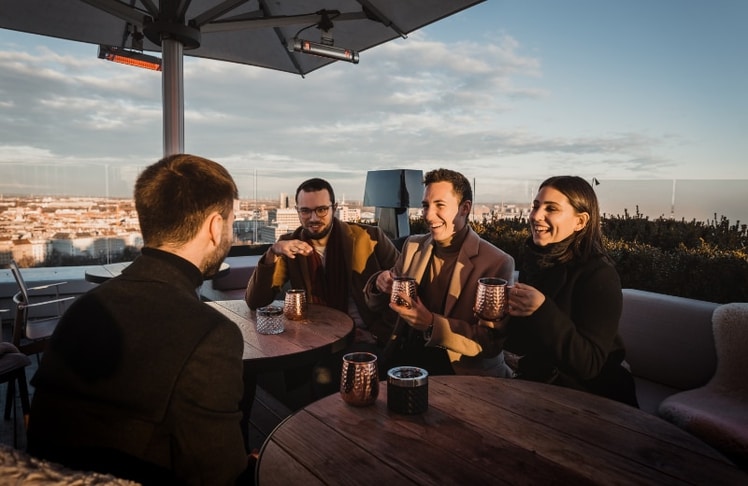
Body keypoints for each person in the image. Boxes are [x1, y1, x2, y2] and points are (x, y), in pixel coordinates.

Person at [27, 154, 253, 485]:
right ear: (215, 227)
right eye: (231, 222)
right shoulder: (209, 334)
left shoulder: (85, 308)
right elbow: (219, 475)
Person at [245, 177, 400, 390]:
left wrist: (378, 333)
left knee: (324, 374)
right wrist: (272, 253)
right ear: (297, 211)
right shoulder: (291, 245)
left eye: (321, 210)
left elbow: (405, 290)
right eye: (305, 211)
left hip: (365, 335)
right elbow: (256, 300)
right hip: (316, 337)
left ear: (334, 208)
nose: (313, 218)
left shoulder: (369, 238)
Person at [499, 175, 638, 406]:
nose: (536, 216)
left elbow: (590, 364)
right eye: (535, 206)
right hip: (540, 389)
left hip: (595, 400)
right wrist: (496, 321)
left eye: (551, 208)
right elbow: (526, 342)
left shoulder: (599, 275)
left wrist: (541, 309)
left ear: (580, 222)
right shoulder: (538, 262)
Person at [365, 168, 515, 376]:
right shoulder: (413, 246)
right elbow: (380, 305)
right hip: (405, 358)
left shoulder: (496, 262)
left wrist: (431, 324)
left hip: (460, 371)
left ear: (465, 208)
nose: (428, 215)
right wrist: (379, 284)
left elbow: (488, 343)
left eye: (440, 206)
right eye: (426, 205)